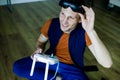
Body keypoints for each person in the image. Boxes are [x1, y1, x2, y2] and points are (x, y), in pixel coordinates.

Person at [13, 0, 113, 80]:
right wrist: (39, 49)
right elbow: (40, 41)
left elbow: (107, 64)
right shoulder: (51, 23)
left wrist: (91, 31)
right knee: (18, 67)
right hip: (49, 61)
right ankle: (56, 78)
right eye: (62, 14)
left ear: (79, 19)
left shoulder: (85, 32)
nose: (64, 22)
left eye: (70, 18)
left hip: (71, 69)